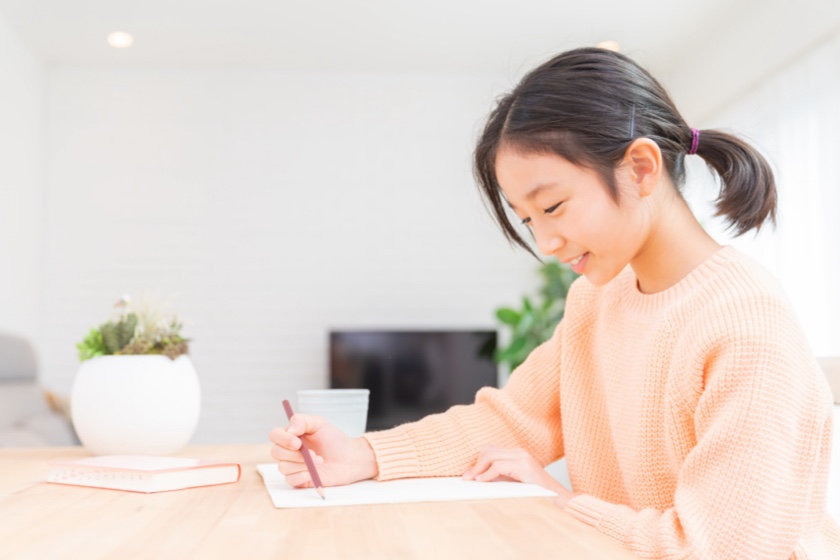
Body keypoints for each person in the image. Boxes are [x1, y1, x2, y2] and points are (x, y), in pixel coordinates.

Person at [270, 47, 840, 559]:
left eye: (555, 206)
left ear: (641, 169)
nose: (545, 244)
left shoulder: (745, 326)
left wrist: (559, 504)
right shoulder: (597, 301)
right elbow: (511, 422)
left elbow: (721, 551)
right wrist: (362, 456)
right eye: (528, 219)